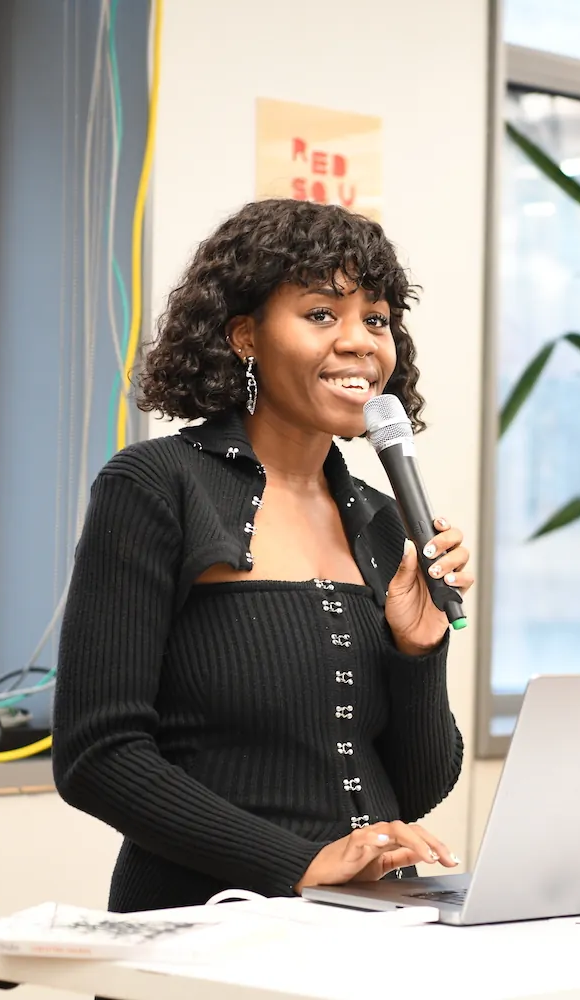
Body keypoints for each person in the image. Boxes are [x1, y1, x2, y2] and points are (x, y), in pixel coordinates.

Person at [52, 200, 469, 913]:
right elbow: (98, 755)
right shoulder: (156, 485)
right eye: (320, 315)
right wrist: (299, 863)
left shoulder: (378, 517)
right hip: (204, 924)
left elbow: (418, 783)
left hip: (366, 926)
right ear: (246, 335)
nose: (361, 343)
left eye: (376, 319)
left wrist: (419, 648)